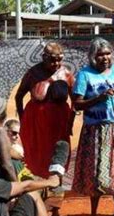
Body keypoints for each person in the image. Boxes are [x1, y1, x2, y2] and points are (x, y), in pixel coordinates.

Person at [72, 37, 114, 216]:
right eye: (100, 54)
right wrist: (99, 98)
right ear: (93, 56)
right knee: (97, 173)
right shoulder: (84, 75)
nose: (105, 58)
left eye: (108, 53)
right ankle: (94, 214)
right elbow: (77, 104)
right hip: (97, 131)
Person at [15, 42, 74, 179]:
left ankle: (55, 183)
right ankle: (38, 185)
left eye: (59, 60)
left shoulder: (66, 74)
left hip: (58, 123)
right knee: (36, 153)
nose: (56, 64)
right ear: (44, 57)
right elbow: (19, 96)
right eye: (53, 60)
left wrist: (70, 123)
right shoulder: (33, 74)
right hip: (35, 122)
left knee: (58, 151)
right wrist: (23, 119)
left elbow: (75, 101)